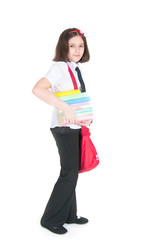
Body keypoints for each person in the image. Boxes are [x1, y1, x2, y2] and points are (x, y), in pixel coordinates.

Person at [32, 28, 92, 235]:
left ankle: (69, 215)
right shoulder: (59, 67)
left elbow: (74, 96)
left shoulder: (75, 67)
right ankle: (50, 219)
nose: (77, 50)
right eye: (72, 46)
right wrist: (66, 108)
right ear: (64, 48)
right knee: (69, 174)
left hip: (73, 126)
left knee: (72, 172)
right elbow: (38, 89)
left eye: (80, 45)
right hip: (63, 128)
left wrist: (85, 117)